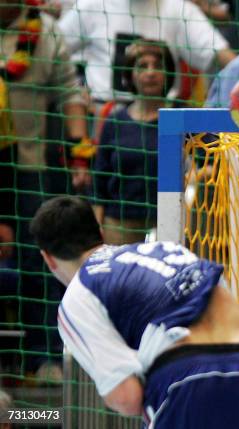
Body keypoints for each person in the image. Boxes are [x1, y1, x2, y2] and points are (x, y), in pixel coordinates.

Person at [29, 196, 239, 428]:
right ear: (99, 231)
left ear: (48, 258)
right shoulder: (167, 250)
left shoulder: (79, 294)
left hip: (189, 382)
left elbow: (127, 397)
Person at [0, 0, 91, 380]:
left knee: (39, 262)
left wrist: (80, 152)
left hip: (30, 169)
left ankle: (43, 358)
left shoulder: (47, 32)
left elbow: (71, 93)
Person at [57, 0, 235, 106]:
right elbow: (55, 49)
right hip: (104, 114)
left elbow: (221, 55)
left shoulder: (178, 9)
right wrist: (76, 87)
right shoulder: (93, 5)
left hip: (159, 118)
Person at [92, 39, 174, 245]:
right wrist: (97, 226)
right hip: (118, 225)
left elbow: (205, 165)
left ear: (168, 74)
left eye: (157, 66)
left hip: (168, 224)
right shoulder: (114, 121)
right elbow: (99, 181)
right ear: (130, 74)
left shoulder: (180, 119)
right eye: (142, 66)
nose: (151, 72)